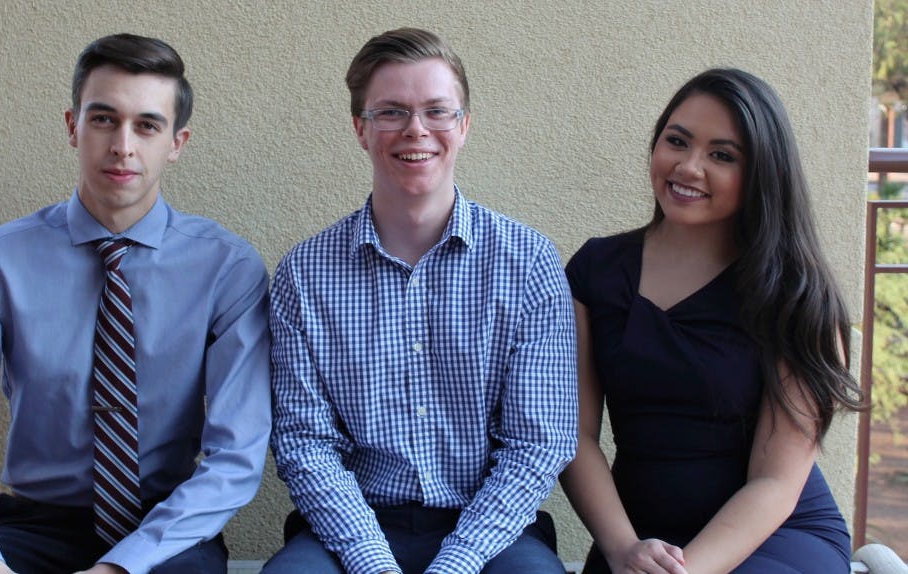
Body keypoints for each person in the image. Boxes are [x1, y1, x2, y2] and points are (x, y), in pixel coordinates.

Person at [0, 33, 271, 574]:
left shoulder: (228, 269)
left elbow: (236, 458)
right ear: (72, 126)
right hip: (34, 527)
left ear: (177, 142)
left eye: (147, 125)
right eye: (103, 119)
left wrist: (119, 566)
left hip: (165, 531)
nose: (123, 145)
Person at [263, 27, 577, 574]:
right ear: (361, 129)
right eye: (391, 112)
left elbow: (537, 444)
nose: (416, 129)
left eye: (437, 111)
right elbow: (304, 442)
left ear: (464, 125)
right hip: (353, 524)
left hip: (488, 530)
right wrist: (372, 562)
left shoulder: (528, 263)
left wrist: (456, 562)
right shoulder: (305, 274)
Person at [560, 68, 865, 574]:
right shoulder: (596, 270)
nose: (688, 167)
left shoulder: (796, 296)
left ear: (762, 173)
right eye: (677, 141)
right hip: (640, 541)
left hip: (771, 538)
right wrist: (621, 549)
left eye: (722, 156)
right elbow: (575, 435)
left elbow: (774, 483)